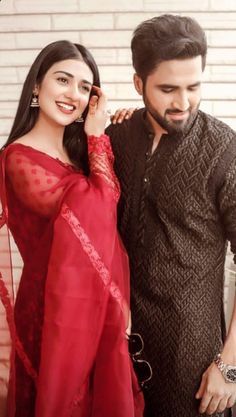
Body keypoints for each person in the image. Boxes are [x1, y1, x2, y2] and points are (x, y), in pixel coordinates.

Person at [0, 40, 144, 417]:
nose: (73, 95)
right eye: (63, 80)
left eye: (85, 86)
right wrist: (97, 137)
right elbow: (94, 206)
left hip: (95, 308)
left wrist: (120, 131)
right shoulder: (18, 158)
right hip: (53, 314)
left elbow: (107, 203)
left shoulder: (79, 154)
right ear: (36, 86)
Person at [106, 14, 236, 417]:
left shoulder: (223, 149)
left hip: (195, 367)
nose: (182, 103)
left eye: (193, 87)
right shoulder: (115, 139)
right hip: (118, 352)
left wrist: (229, 365)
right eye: (167, 89)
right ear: (138, 83)